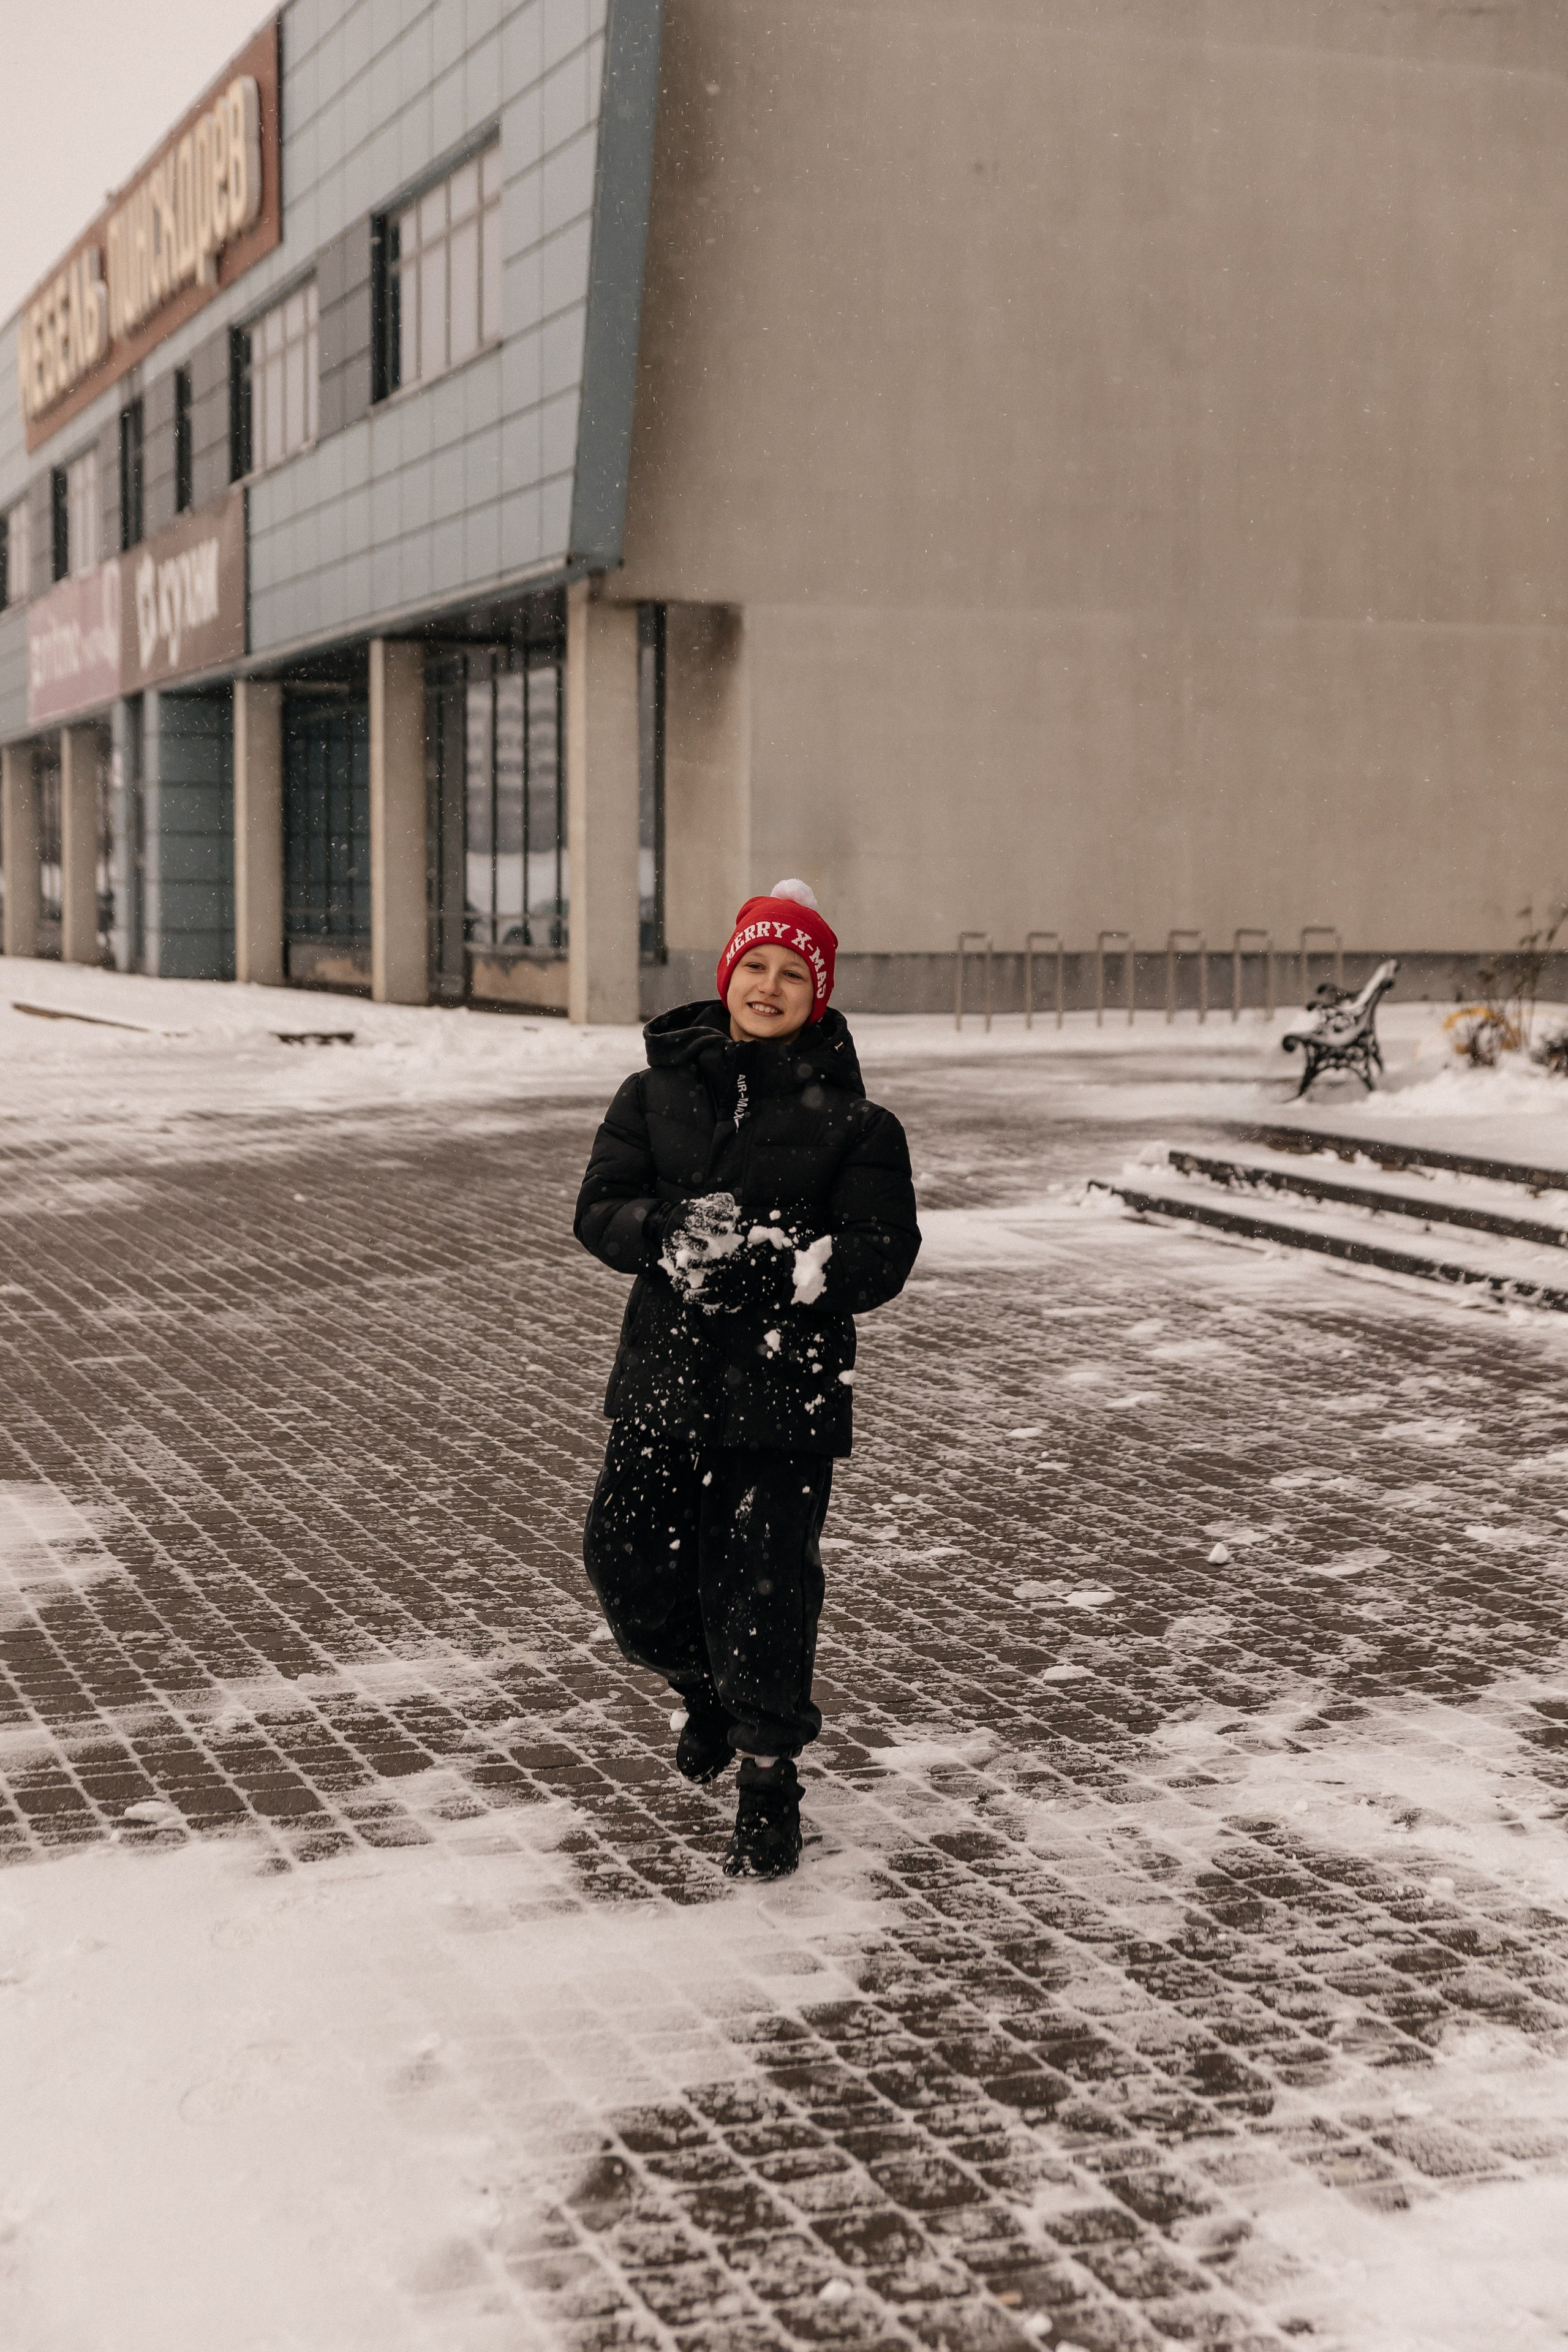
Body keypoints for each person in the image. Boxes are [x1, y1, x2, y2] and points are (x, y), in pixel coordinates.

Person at [573, 880, 921, 1879]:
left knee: (763, 1597)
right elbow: (601, 1207)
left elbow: (883, 1252)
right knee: (625, 1570)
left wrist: (791, 1269)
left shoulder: (859, 1126)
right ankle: (706, 1691)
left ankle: (769, 1775)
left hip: (782, 1399)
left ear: (818, 993)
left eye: (792, 974)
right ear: (728, 974)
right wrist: (659, 1231)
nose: (769, 987)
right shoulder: (653, 1093)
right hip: (662, 1385)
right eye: (755, 966)